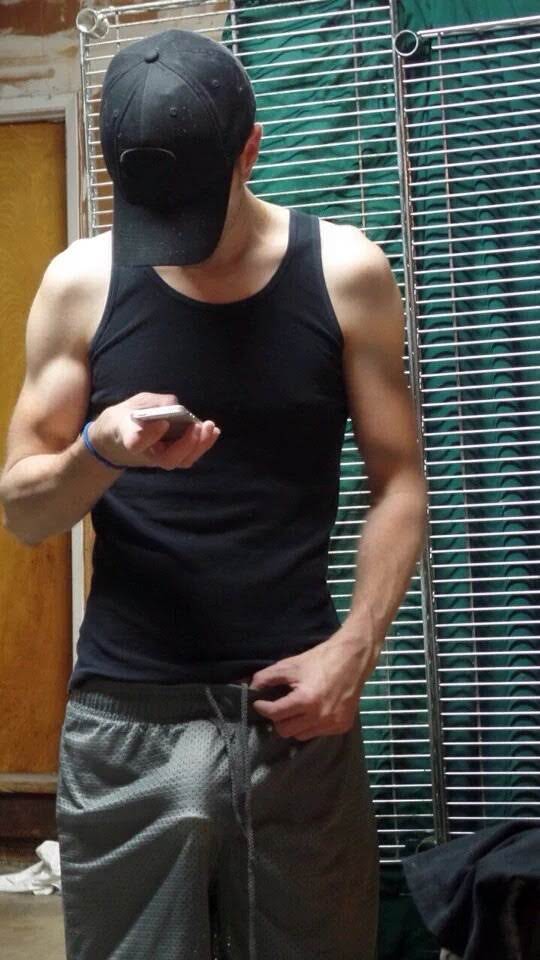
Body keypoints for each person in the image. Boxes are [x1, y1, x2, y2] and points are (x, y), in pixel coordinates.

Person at [0, 28, 427, 960]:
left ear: (250, 150)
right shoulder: (80, 283)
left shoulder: (347, 272)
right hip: (127, 715)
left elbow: (399, 481)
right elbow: (25, 511)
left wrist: (355, 649)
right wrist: (98, 451)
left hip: (295, 708)